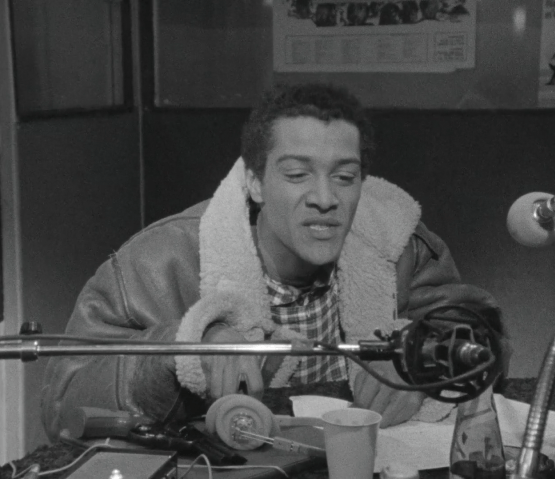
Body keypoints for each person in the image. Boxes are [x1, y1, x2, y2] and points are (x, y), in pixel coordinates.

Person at [41, 83, 507, 441]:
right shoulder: (160, 259)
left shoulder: (402, 245)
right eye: (297, 174)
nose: (325, 198)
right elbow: (62, 408)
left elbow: (484, 341)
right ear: (255, 183)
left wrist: (418, 361)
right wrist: (184, 348)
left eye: (345, 177)